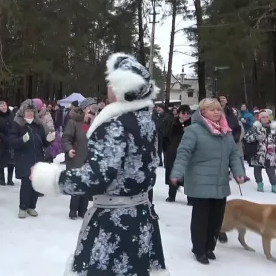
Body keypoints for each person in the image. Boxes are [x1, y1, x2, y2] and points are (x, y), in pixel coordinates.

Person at [29, 53, 168, 275]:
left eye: (112, 82)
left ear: (123, 87)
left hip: (115, 222)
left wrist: (53, 179)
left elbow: (97, 177)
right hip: (141, 216)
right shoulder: (145, 120)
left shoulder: (116, 125)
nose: (108, 86)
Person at [170, 98, 247, 265]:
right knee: (201, 219)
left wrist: (239, 173)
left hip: (220, 183)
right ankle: (199, 249)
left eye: (218, 109)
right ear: (202, 112)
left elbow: (233, 155)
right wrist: (176, 173)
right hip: (200, 182)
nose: (216, 112)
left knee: (216, 219)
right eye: (212, 110)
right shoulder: (193, 131)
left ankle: (209, 247)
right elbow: (183, 154)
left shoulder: (225, 132)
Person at [9, 99, 55, 219]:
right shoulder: (17, 124)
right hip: (24, 159)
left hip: (37, 158)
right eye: (27, 111)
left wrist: (48, 140)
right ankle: (22, 207)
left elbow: (43, 142)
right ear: (23, 112)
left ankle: (31, 207)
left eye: (31, 111)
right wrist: (21, 140)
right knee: (26, 184)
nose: (29, 113)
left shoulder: (38, 124)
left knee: (36, 183)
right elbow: (12, 142)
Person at [61, 98, 95, 220]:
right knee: (77, 185)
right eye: (90, 107)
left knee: (86, 186)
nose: (92, 110)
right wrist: (69, 149)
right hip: (76, 158)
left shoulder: (94, 122)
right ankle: (73, 210)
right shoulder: (73, 122)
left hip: (89, 159)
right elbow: (66, 138)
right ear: (84, 108)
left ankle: (83, 210)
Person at [244, 110, 276, 194]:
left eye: (266, 117)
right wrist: (255, 137)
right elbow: (246, 138)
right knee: (257, 170)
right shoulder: (255, 127)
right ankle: (260, 184)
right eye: (263, 117)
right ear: (259, 118)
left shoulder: (274, 127)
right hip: (258, 153)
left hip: (270, 153)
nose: (265, 118)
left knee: (271, 170)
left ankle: (274, 186)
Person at [163, 105, 192, 204]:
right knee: (173, 172)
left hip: (188, 153)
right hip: (174, 151)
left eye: (188, 113)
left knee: (188, 175)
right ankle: (171, 195)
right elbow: (166, 137)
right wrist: (167, 149)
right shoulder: (173, 123)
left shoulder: (193, 124)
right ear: (179, 114)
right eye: (183, 113)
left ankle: (191, 198)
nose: (185, 115)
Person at [0, 101, 15, 185]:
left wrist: (12, 137)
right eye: (1, 106)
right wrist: (4, 138)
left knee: (11, 161)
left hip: (11, 140)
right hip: (1, 142)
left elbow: (14, 127)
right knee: (1, 161)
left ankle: (10, 179)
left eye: (5, 105)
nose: (4, 107)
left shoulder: (11, 115)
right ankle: (2, 179)